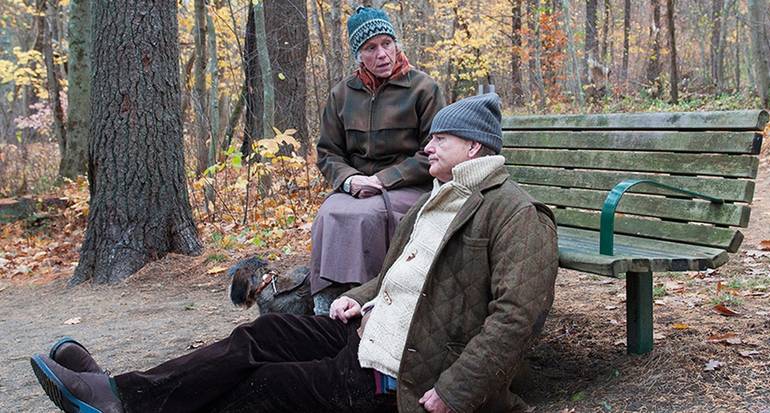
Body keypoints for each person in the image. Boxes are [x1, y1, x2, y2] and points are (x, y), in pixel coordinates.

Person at [30, 93, 558, 413]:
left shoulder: (515, 213)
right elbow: (399, 275)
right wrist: (360, 295)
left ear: (475, 147)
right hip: (367, 335)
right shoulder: (435, 201)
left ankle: (122, 403)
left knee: (262, 386)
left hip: (405, 373)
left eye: (440, 138)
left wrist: (455, 393)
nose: (427, 147)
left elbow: (517, 318)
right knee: (260, 334)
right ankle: (117, 395)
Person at [311, 6, 446, 315]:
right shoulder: (341, 95)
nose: (382, 54)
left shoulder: (423, 88)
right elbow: (328, 151)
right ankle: (325, 304)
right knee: (328, 213)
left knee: (367, 217)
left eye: (387, 43)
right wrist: (349, 180)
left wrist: (383, 180)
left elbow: (434, 151)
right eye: (371, 48)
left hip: (409, 185)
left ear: (396, 44)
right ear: (359, 55)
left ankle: (373, 298)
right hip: (357, 185)